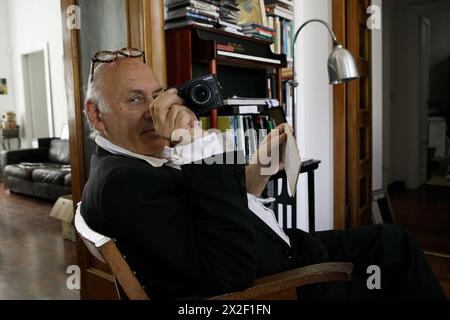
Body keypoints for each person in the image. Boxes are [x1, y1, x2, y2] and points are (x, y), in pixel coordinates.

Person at [81, 49, 445, 299]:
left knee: (391, 239)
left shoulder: (135, 163)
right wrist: (194, 146)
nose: (153, 112)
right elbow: (230, 272)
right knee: (397, 248)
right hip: (283, 285)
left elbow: (207, 221)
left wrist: (255, 175)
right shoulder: (123, 185)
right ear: (96, 115)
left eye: (158, 96)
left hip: (282, 250)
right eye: (134, 99)